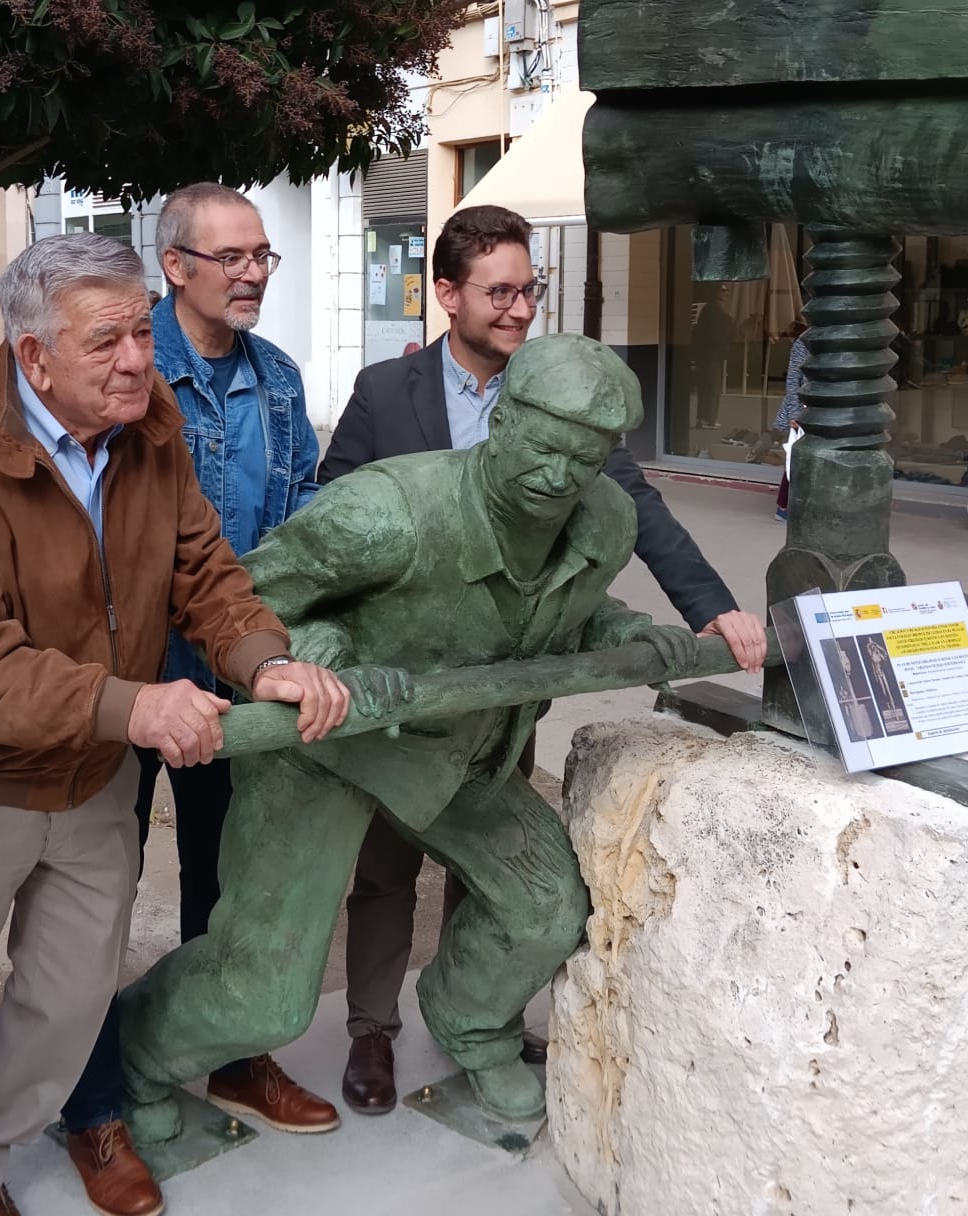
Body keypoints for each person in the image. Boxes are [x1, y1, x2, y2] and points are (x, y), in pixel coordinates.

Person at [0, 234, 349, 1216]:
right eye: (108, 342)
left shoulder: (148, 421)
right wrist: (137, 706)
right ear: (34, 355)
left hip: (96, 778)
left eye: (141, 330)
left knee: (66, 1001)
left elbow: (204, 572)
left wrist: (269, 659)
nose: (138, 359)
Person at [121, 334, 704, 1131]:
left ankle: (473, 1026)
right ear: (501, 420)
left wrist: (631, 629)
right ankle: (130, 1060)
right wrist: (326, 658)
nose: (560, 476)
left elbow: (565, 605)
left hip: (454, 748)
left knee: (545, 910)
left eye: (586, 458)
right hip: (327, 747)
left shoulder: (602, 522)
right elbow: (248, 602)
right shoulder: (384, 514)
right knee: (264, 994)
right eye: (545, 447)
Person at [317, 203, 768, 1114]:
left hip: (504, 688)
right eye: (499, 292)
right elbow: (333, 521)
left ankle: (468, 1011)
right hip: (403, 688)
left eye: (530, 289)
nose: (521, 310)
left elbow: (639, 508)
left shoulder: (561, 393)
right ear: (447, 295)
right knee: (384, 869)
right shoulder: (384, 393)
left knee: (494, 865)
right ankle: (373, 1030)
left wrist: (714, 610)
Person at [56, 188, 334, 1216]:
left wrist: (282, 654)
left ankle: (229, 1055)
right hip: (120, 682)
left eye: (265, 254)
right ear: (175, 266)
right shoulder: (126, 373)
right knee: (91, 902)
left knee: (232, 882)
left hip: (237, 677)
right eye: (233, 256)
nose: (255, 271)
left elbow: (298, 533)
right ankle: (90, 1109)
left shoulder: (278, 381)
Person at [771, 330, 811, 522]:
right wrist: (795, 413)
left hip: (825, 407)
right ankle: (784, 508)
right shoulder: (804, 341)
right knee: (796, 458)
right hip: (805, 407)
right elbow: (793, 379)